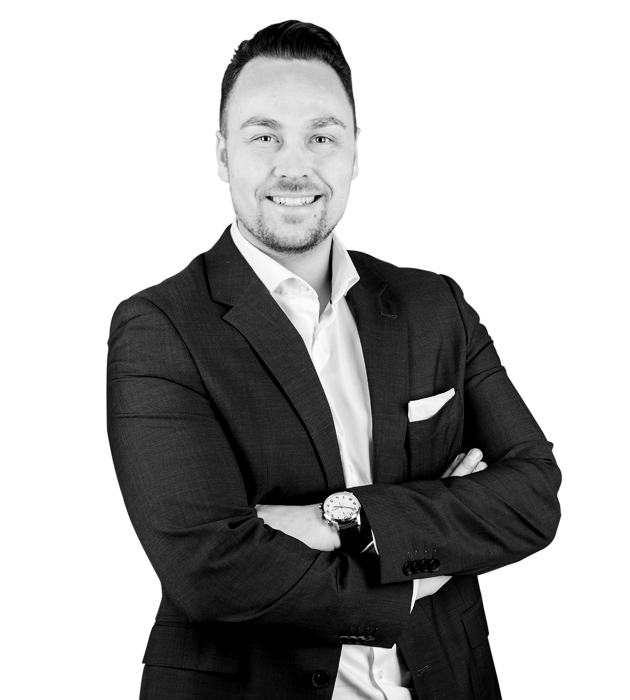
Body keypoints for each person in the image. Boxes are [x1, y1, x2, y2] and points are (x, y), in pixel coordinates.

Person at [106, 20, 562, 700]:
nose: (294, 167)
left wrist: (339, 518)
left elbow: (532, 497)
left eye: (322, 136)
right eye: (264, 137)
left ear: (353, 152)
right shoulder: (159, 327)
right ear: (224, 152)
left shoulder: (433, 304)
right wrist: (418, 571)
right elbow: (208, 571)